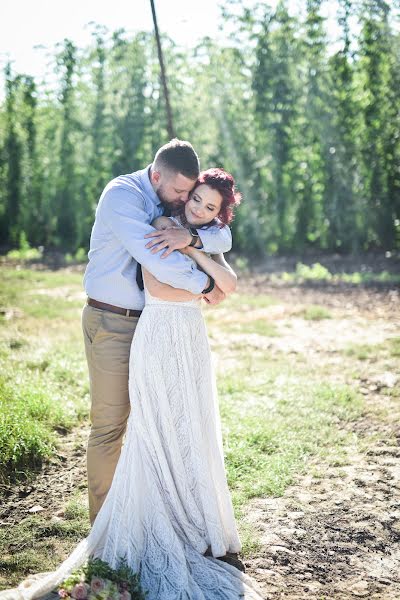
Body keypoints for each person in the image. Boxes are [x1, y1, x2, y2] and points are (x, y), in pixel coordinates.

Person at [10, 169, 264, 600]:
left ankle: (191, 515)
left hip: (189, 337)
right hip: (155, 330)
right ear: (171, 185)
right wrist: (205, 277)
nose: (195, 204)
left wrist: (197, 247)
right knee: (141, 427)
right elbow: (202, 282)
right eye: (190, 195)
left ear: (219, 212)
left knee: (188, 425)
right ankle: (117, 525)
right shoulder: (158, 221)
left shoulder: (198, 232)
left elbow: (229, 272)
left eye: (206, 204)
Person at [82, 139, 232, 524]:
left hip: (154, 326)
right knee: (111, 426)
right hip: (114, 321)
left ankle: (155, 516)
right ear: (156, 176)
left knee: (161, 423)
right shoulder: (122, 196)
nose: (186, 201)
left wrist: (195, 239)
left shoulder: (170, 200)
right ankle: (106, 529)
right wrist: (205, 286)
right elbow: (155, 258)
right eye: (182, 192)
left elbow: (222, 235)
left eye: (191, 192)